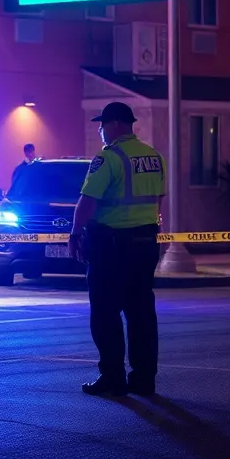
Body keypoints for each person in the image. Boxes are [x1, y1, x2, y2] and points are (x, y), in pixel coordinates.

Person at [66, 102, 165, 396]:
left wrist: (75, 234)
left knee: (105, 313)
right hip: (145, 243)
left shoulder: (108, 158)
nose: (100, 130)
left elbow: (87, 201)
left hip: (112, 246)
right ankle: (144, 379)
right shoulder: (155, 157)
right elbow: (158, 199)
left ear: (117, 124)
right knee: (141, 313)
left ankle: (112, 377)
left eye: (103, 124)